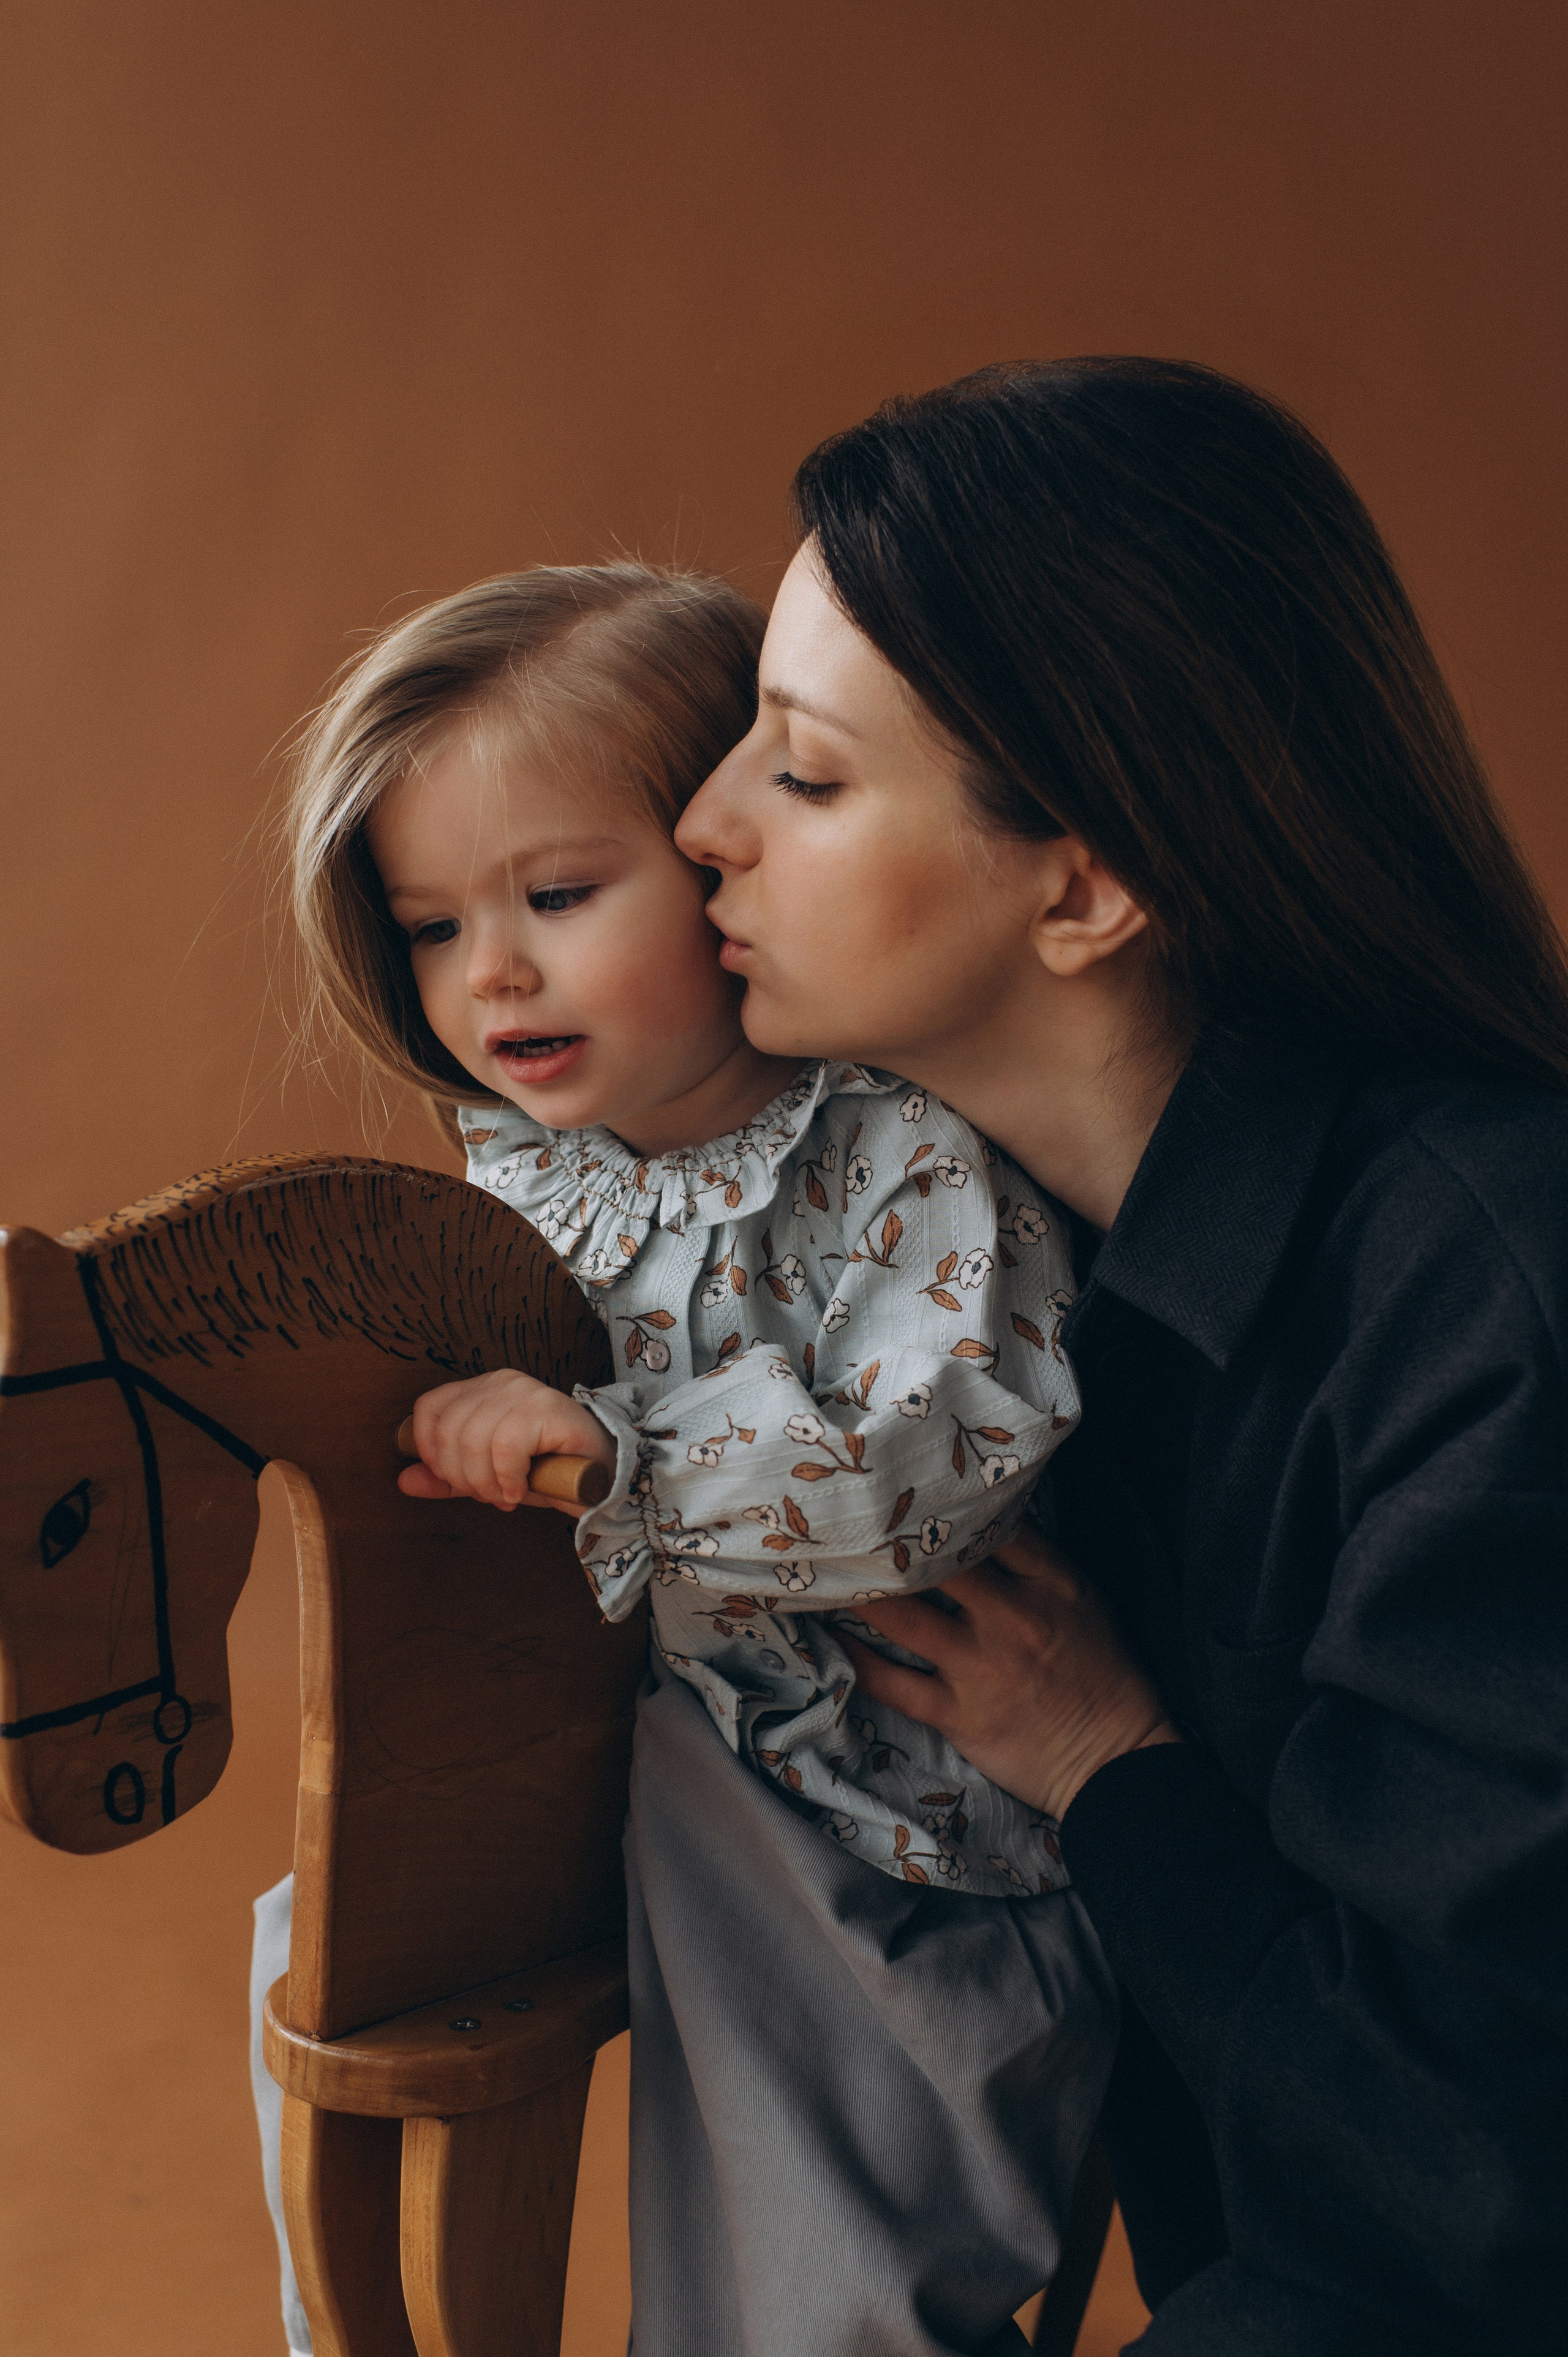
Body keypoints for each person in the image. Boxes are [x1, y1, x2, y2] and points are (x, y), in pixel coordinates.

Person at [673, 355, 1568, 2353]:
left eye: (804, 775)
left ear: (1085, 886)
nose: (702, 823)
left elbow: (1477, 2187)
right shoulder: (966, 1294)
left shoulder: (1492, 1297)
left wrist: (1108, 1771)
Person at [255, 559, 1116, 2357]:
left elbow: (936, 1451)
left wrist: (619, 1455)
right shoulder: (517, 1189)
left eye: (559, 896)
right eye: (431, 927)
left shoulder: (900, 1154)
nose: (493, 972)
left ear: (726, 868)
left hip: (873, 1804)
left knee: (813, 2263)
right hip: (620, 1747)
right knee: (328, 1929)